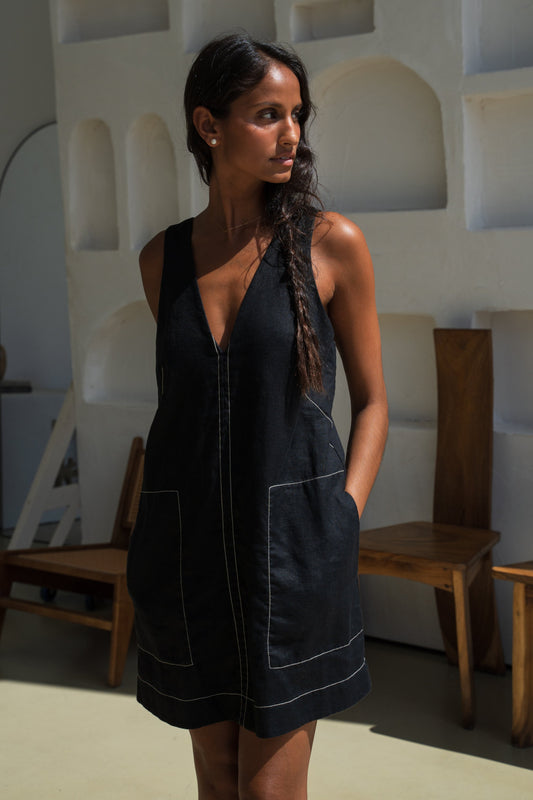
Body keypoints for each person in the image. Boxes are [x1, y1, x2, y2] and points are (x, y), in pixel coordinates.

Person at [126, 31, 388, 800]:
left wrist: (341, 516)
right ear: (209, 125)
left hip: (294, 553)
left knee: (268, 788)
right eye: (268, 114)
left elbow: (374, 402)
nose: (291, 133)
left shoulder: (330, 245)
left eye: (297, 114)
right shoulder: (161, 260)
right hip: (187, 555)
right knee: (216, 780)